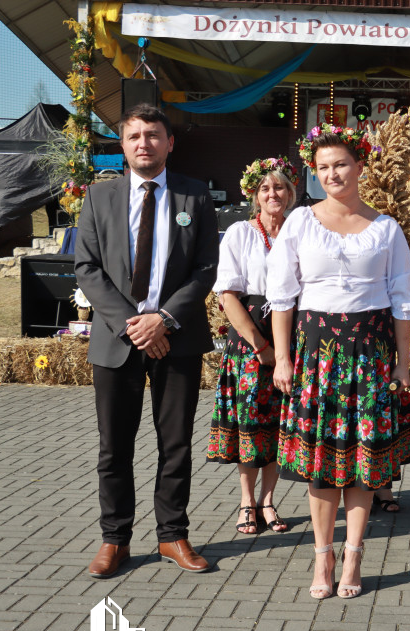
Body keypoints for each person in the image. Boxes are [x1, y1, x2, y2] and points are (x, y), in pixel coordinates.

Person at [268, 123, 410, 599]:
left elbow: (401, 300)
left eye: (341, 165)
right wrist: (284, 359)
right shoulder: (299, 222)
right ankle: (323, 556)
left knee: (362, 459)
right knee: (321, 462)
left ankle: (353, 554)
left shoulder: (386, 228)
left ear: (359, 167)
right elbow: (283, 295)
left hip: (371, 353)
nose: (332, 174)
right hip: (317, 354)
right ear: (315, 173)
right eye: (323, 167)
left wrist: (401, 362)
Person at [75, 104, 218, 578]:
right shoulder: (98, 198)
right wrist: (135, 324)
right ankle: (114, 540)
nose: (143, 143)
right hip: (118, 341)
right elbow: (87, 269)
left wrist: (164, 320)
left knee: (174, 444)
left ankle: (172, 535)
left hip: (177, 340)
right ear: (122, 144)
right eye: (134, 135)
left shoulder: (195, 196)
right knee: (114, 446)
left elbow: (205, 269)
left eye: (153, 135)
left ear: (169, 142)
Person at [206, 157, 298, 534]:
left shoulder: (301, 230)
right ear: (254, 196)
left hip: (290, 341)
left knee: (278, 424)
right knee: (250, 425)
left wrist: (283, 351)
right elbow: (228, 297)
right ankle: (246, 502)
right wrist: (262, 347)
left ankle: (268, 501)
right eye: (265, 188)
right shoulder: (240, 234)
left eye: (279, 187)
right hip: (250, 342)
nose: (272, 193)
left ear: (290, 193)